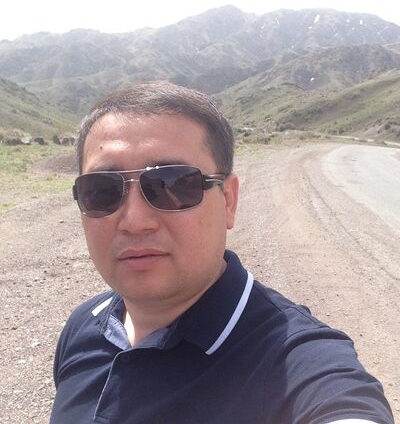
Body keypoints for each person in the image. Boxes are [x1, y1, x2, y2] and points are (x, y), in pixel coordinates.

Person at [50, 81, 394, 424]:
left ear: (228, 201)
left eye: (172, 185)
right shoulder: (84, 326)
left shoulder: (294, 359)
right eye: (101, 190)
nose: (135, 222)